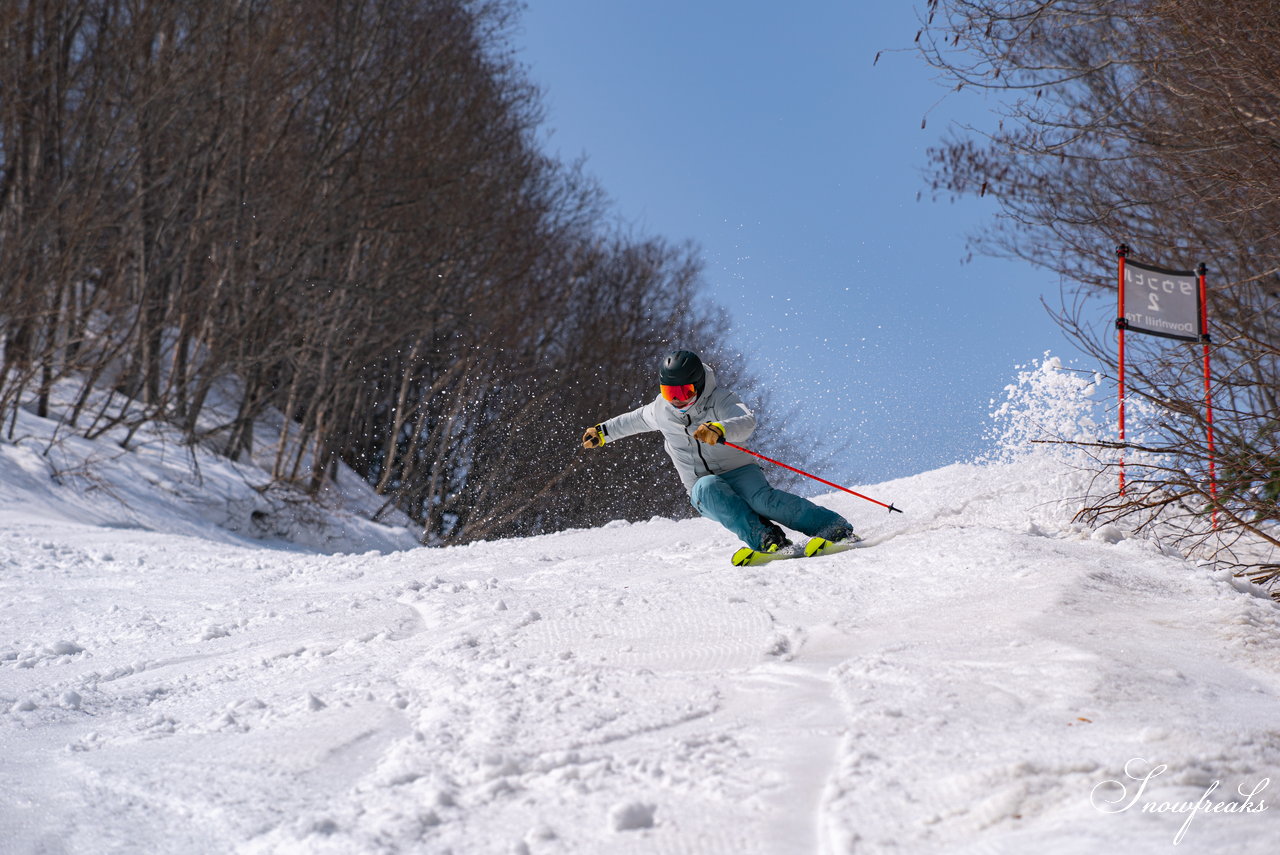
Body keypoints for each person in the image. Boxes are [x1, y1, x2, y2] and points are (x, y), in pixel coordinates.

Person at [581, 350, 856, 553]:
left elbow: (746, 421)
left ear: (698, 385)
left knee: (763, 502)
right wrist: (603, 432)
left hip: (740, 471)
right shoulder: (661, 410)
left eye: (685, 392)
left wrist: (719, 429)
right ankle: (767, 539)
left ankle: (832, 527)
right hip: (701, 484)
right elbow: (634, 420)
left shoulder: (721, 400)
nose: (677, 400)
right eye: (670, 393)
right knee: (708, 488)